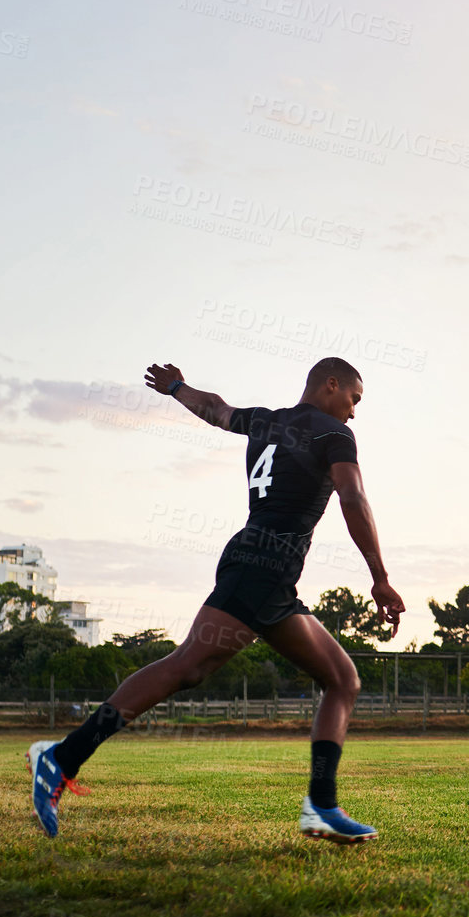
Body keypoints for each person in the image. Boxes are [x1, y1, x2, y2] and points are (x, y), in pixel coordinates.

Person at [26, 356, 403, 843]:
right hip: (260, 569)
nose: (354, 412)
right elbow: (353, 498)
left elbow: (217, 409)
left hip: (267, 574)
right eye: (354, 399)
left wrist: (177, 387)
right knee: (186, 666)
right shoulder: (333, 433)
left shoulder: (267, 419)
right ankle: (61, 758)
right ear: (331, 385)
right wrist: (379, 576)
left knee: (342, 679)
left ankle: (322, 805)